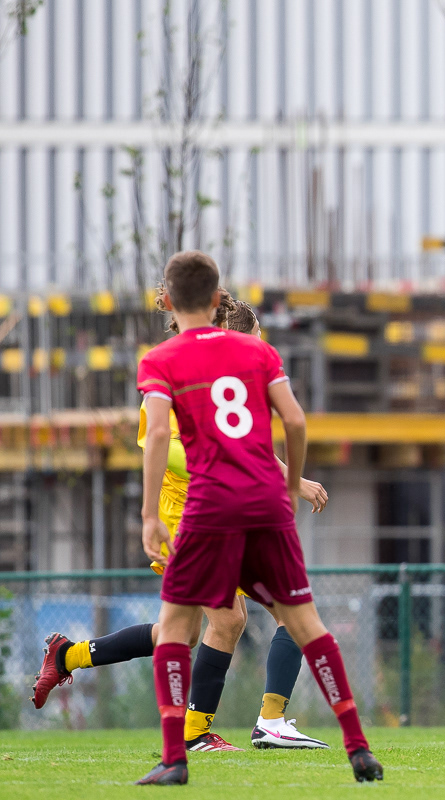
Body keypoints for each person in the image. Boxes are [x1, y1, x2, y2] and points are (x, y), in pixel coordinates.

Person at [31, 295, 330, 752]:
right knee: (247, 615)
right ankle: (254, 724)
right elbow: (166, 449)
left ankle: (68, 654)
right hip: (185, 521)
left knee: (190, 631)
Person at [133, 250, 381, 784]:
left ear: (171, 302)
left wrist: (150, 514)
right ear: (220, 299)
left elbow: (156, 436)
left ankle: (176, 757)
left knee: (176, 628)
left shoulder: (161, 361)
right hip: (264, 502)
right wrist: (290, 484)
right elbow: (294, 419)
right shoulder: (256, 353)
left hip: (208, 507)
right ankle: (358, 747)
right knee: (306, 623)